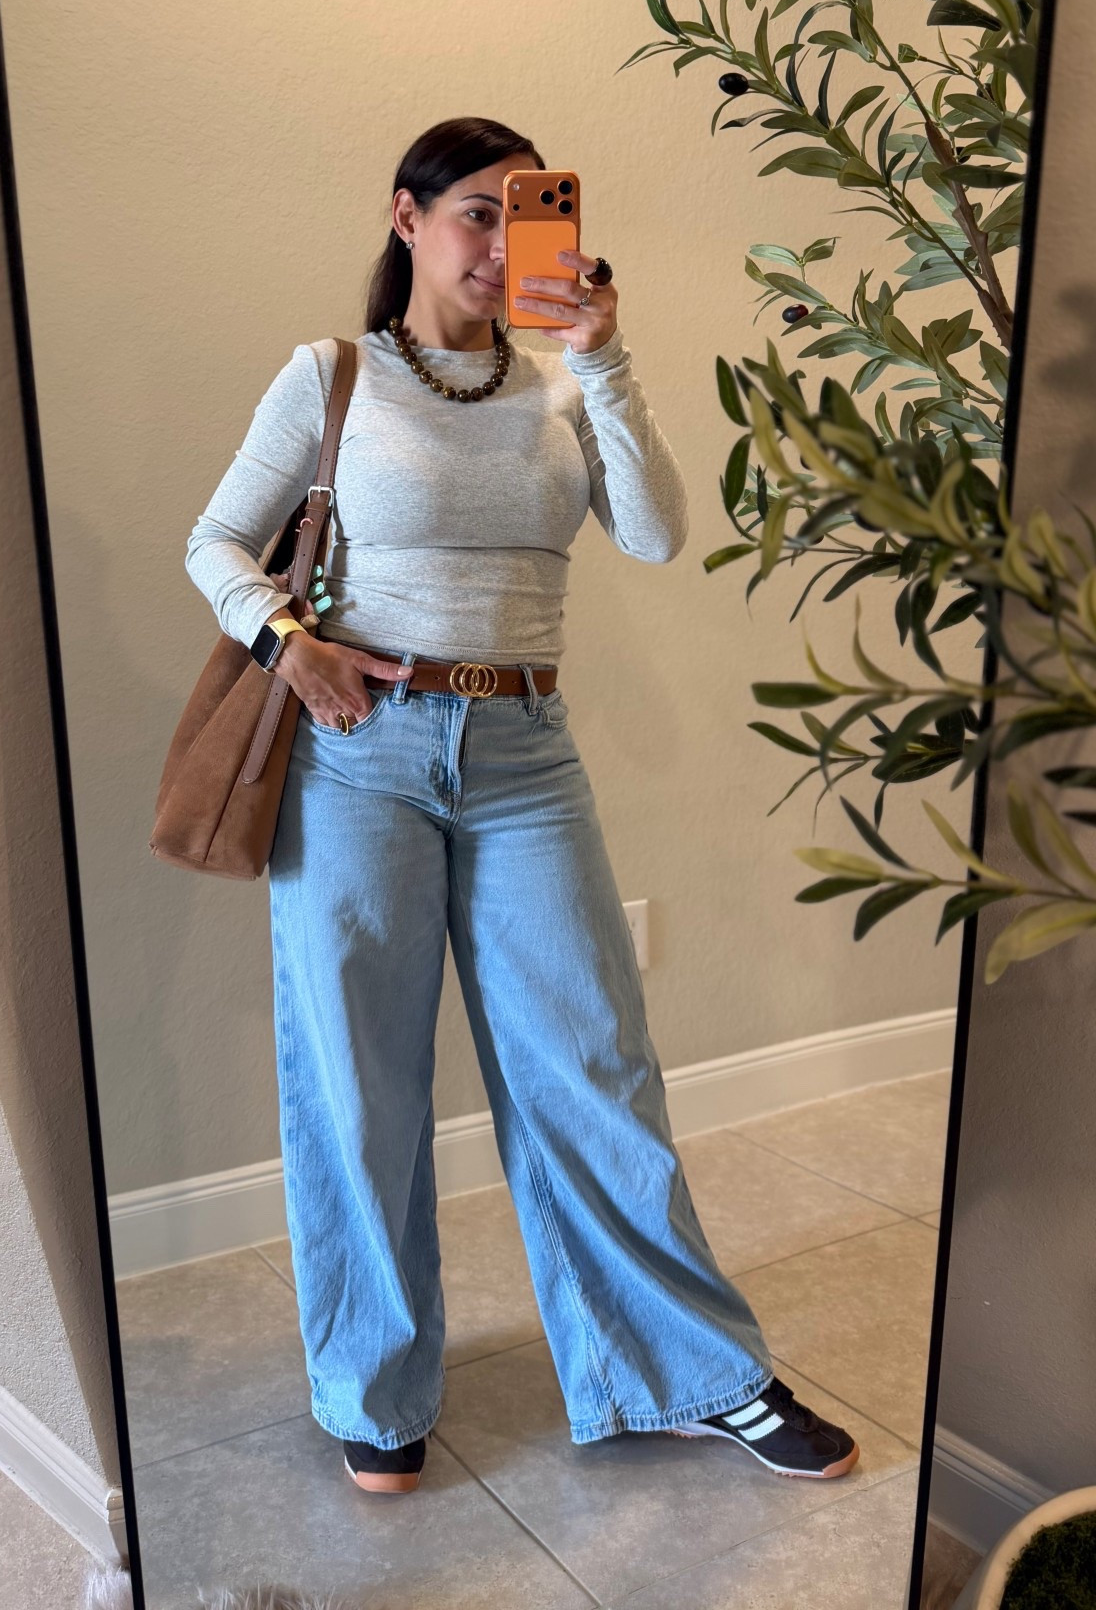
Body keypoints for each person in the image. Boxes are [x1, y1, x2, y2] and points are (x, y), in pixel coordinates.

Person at [185, 116, 858, 1496]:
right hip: (359, 752)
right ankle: (374, 1389)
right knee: (361, 1079)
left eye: (529, 213)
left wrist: (604, 356)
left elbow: (657, 532)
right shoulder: (331, 375)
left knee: (594, 1059)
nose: (502, 243)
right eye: (477, 213)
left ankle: (691, 1375)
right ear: (407, 217)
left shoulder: (561, 389)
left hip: (525, 756)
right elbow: (216, 541)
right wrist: (289, 644)